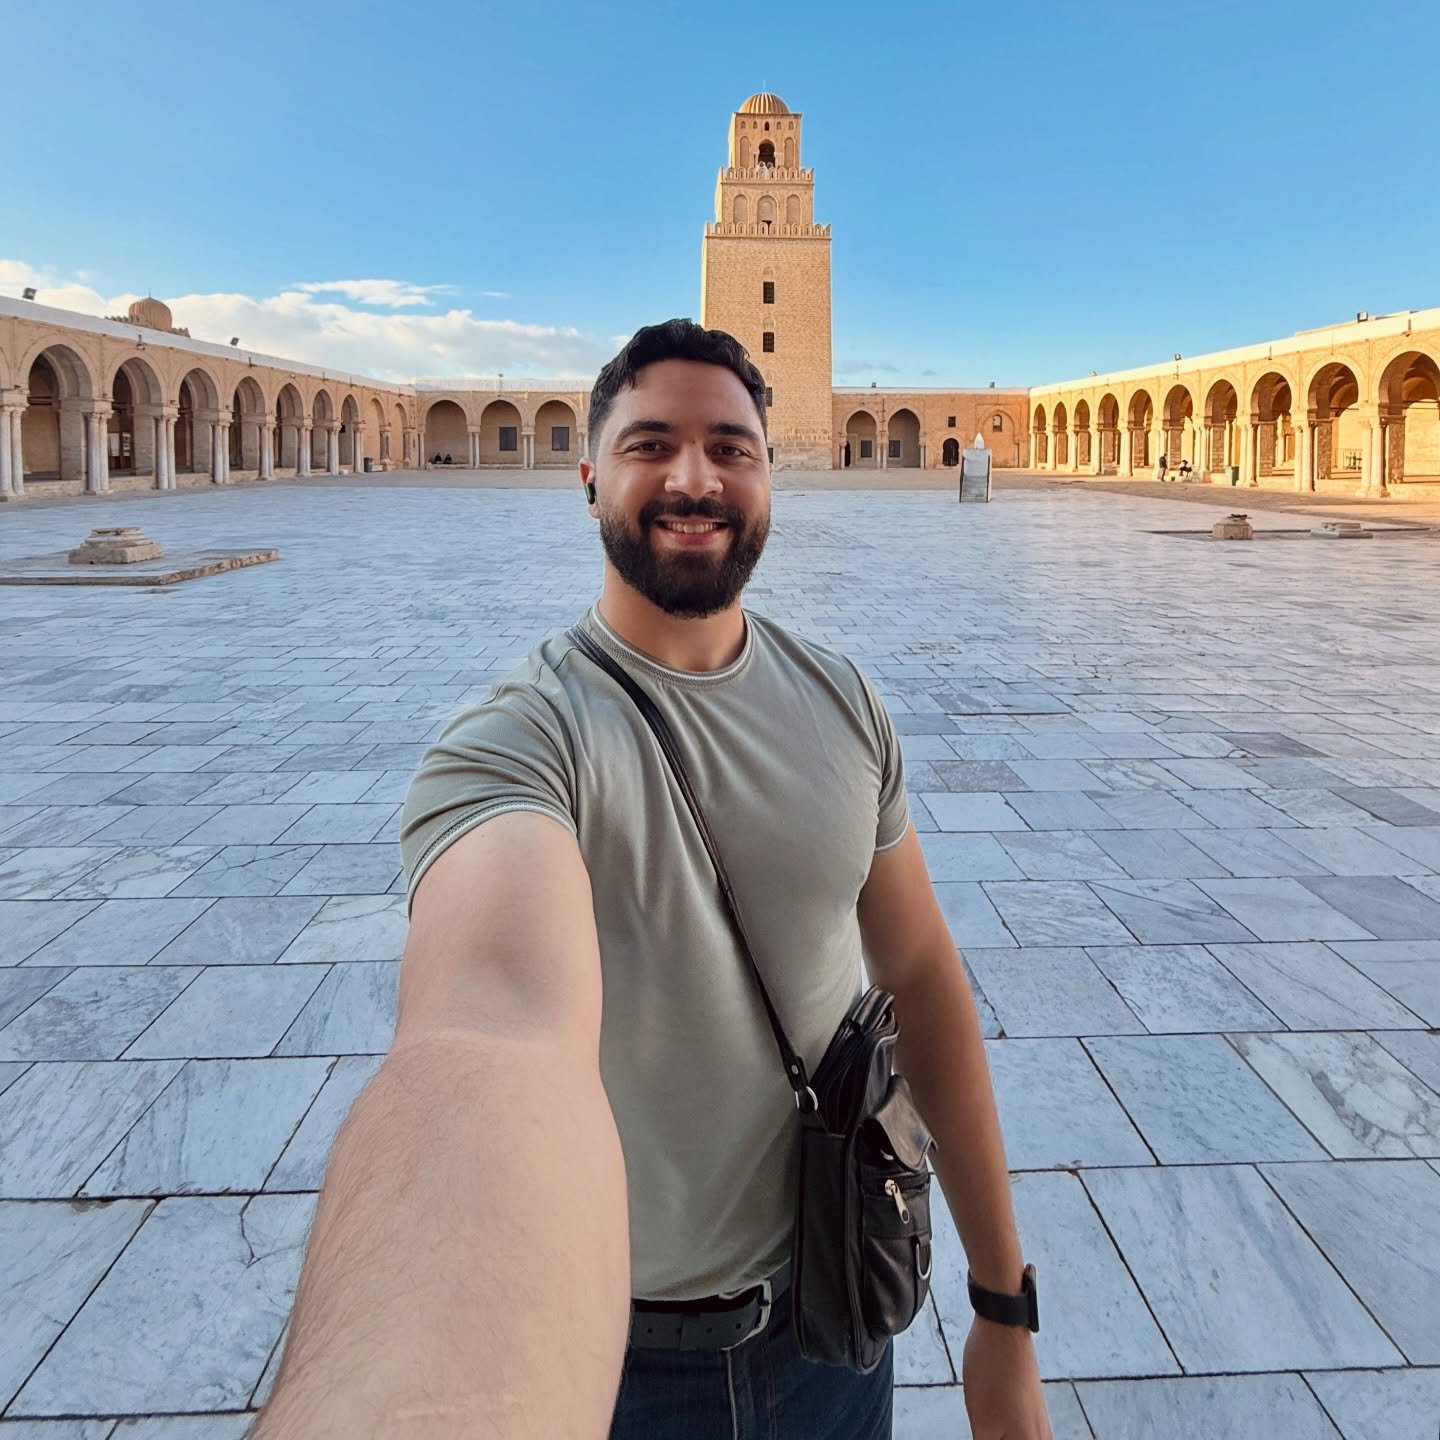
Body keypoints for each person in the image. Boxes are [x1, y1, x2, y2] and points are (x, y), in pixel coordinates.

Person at [253, 320, 1051, 1440]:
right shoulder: (516, 744)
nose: (694, 476)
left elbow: (920, 977)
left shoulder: (842, 704)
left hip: (836, 1329)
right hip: (611, 1371)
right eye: (650, 445)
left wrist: (1003, 1311)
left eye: (733, 447)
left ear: (770, 479)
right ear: (588, 479)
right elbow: (486, 1041)